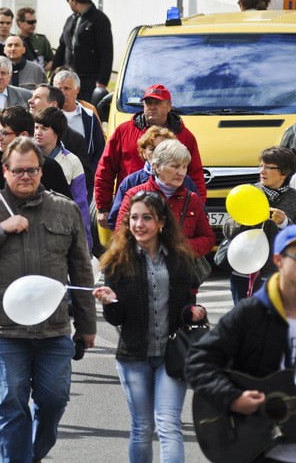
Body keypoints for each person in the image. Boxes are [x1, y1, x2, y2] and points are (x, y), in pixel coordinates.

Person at [0, 136, 96, 462]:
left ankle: (30, 456)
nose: (25, 176)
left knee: (55, 400)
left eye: (31, 170)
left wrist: (86, 323)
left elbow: (82, 271)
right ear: (5, 171)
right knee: (12, 401)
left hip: (54, 326)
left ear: (42, 171)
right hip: (3, 328)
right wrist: (0, 229)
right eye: (18, 171)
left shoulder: (65, 209)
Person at [0, 107, 72, 429]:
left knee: (43, 378)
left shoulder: (48, 169)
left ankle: (36, 404)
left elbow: (66, 214)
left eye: (4, 133)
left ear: (23, 136)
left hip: (41, 278)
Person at [94, 191, 205, 463]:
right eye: (134, 218)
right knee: (142, 428)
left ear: (162, 223)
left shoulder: (179, 258)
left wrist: (193, 311)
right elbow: (116, 319)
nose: (139, 224)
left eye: (147, 218)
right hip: (134, 357)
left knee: (168, 425)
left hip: (172, 357)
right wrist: (109, 303)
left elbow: (186, 304)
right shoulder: (117, 260)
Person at [186, 224, 296, 463]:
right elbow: (198, 363)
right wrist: (232, 397)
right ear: (278, 260)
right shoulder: (252, 313)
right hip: (259, 446)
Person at [95, 84, 207, 229]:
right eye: (148, 103)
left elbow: (196, 176)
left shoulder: (186, 137)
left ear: (168, 106)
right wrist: (103, 208)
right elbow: (105, 170)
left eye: (157, 103)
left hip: (173, 215)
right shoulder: (124, 131)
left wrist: (198, 213)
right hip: (131, 211)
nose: (152, 107)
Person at [116, 140, 215, 262]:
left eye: (184, 167)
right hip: (143, 271)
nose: (181, 172)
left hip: (181, 273)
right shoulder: (134, 195)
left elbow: (208, 238)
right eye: (174, 166)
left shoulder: (192, 199)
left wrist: (179, 248)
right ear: (157, 167)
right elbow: (120, 236)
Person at [223, 146, 296, 304]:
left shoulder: (293, 198)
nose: (262, 171)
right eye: (261, 166)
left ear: (284, 172)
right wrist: (243, 221)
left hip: (278, 274)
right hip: (243, 272)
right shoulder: (249, 193)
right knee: (244, 322)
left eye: (268, 167)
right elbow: (227, 229)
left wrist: (284, 223)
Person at [108, 127, 198, 230]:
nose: (157, 152)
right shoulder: (131, 182)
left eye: (163, 148)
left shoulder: (185, 181)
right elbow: (116, 221)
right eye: (152, 149)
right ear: (143, 153)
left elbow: (201, 222)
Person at [33, 106, 92, 249]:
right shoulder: (24, 156)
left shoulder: (72, 161)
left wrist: (85, 242)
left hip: (60, 231)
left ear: (57, 133)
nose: (38, 133)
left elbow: (80, 204)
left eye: (44, 128)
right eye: (36, 127)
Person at [51, 0, 113, 102]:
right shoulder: (71, 19)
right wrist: (54, 72)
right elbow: (62, 46)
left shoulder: (99, 20)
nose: (68, 3)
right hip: (67, 77)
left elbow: (106, 52)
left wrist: (102, 81)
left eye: (68, 0)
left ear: (74, 1)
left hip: (89, 80)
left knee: (85, 112)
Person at [16, 6, 54, 71]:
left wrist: (43, 70)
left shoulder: (41, 40)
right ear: (20, 24)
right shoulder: (15, 42)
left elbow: (51, 60)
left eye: (35, 21)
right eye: (30, 22)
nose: (33, 25)